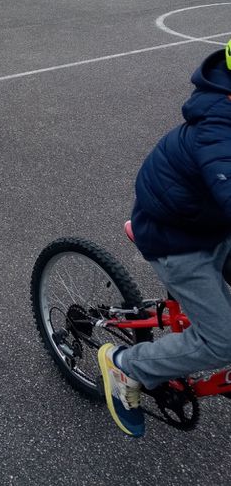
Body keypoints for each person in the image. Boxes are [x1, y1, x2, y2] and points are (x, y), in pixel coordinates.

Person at [98, 41, 231, 438]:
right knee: (222, 341)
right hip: (178, 240)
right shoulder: (218, 128)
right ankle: (126, 365)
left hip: (209, 224)